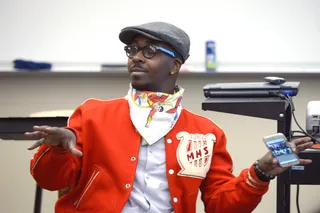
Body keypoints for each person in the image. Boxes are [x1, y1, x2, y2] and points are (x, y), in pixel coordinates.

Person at [25, 22, 314, 213]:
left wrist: (260, 172)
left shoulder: (205, 132)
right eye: (132, 49)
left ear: (174, 64)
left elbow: (219, 205)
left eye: (149, 50)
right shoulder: (92, 114)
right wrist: (57, 150)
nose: (136, 57)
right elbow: (49, 181)